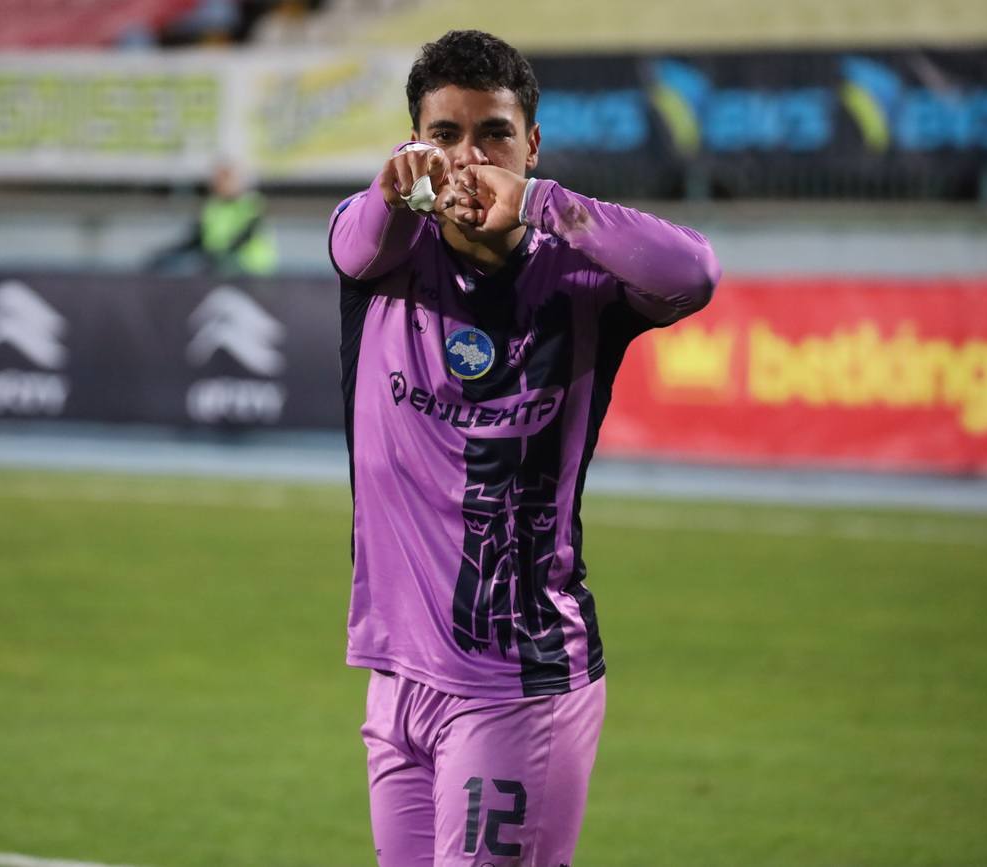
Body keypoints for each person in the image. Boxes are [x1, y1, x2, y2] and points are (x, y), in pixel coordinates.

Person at [328, 29, 721, 867]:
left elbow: (693, 273)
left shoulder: (580, 281)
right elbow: (355, 238)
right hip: (398, 680)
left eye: (495, 135)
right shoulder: (383, 260)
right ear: (414, 145)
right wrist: (393, 187)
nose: (470, 158)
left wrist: (542, 204)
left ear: (531, 144)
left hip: (516, 683)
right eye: (445, 136)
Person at [146, 160, 278, 276]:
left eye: (227, 181)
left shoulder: (251, 204)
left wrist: (215, 255)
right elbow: (197, 238)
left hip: (250, 267)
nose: (220, 185)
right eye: (218, 181)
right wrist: (167, 252)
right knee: (169, 264)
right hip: (219, 262)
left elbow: (244, 236)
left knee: (207, 269)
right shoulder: (213, 207)